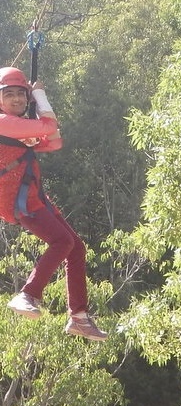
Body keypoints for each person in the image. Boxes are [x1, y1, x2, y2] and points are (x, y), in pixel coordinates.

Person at [0, 66, 107, 341]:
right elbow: (49, 127)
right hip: (20, 202)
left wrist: (38, 106)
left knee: (76, 248)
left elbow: (54, 141)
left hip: (33, 199)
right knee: (62, 242)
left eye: (21, 95)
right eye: (9, 94)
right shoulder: (4, 123)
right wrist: (40, 96)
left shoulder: (20, 129)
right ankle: (28, 294)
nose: (16, 100)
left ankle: (79, 317)